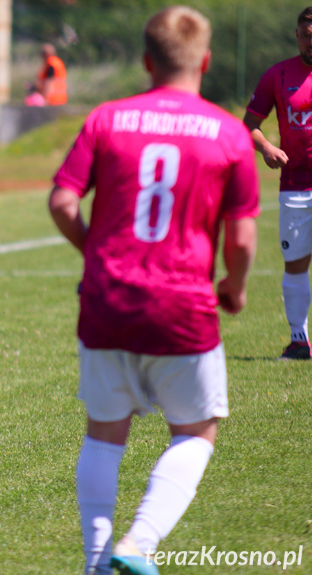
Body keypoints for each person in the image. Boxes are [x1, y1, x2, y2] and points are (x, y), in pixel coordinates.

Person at [48, 6, 258, 575]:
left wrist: (95, 254)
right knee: (195, 431)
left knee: (104, 434)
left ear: (146, 61)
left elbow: (63, 202)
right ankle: (138, 543)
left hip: (107, 300)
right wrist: (234, 290)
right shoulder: (229, 132)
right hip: (184, 306)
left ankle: (95, 562)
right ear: (205, 61)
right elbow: (240, 239)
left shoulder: (107, 119)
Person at [243, 6, 312, 360]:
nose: (311, 43)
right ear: (298, 35)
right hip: (296, 187)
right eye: (306, 35)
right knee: (296, 263)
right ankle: (299, 340)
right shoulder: (279, 74)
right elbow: (249, 123)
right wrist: (267, 147)